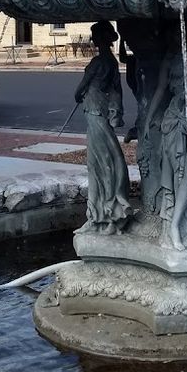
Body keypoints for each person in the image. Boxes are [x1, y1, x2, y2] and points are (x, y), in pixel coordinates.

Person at [146, 46, 187, 250]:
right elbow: (160, 89)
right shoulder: (169, 61)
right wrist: (149, 119)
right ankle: (175, 226)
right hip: (175, 119)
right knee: (181, 174)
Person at [73, 21, 132, 234]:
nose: (93, 39)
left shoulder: (98, 62)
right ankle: (99, 215)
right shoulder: (112, 62)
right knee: (102, 162)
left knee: (101, 163)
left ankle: (108, 215)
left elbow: (79, 89)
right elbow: (117, 91)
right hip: (101, 110)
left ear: (100, 39)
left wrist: (80, 93)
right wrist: (117, 112)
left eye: (94, 35)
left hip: (94, 110)